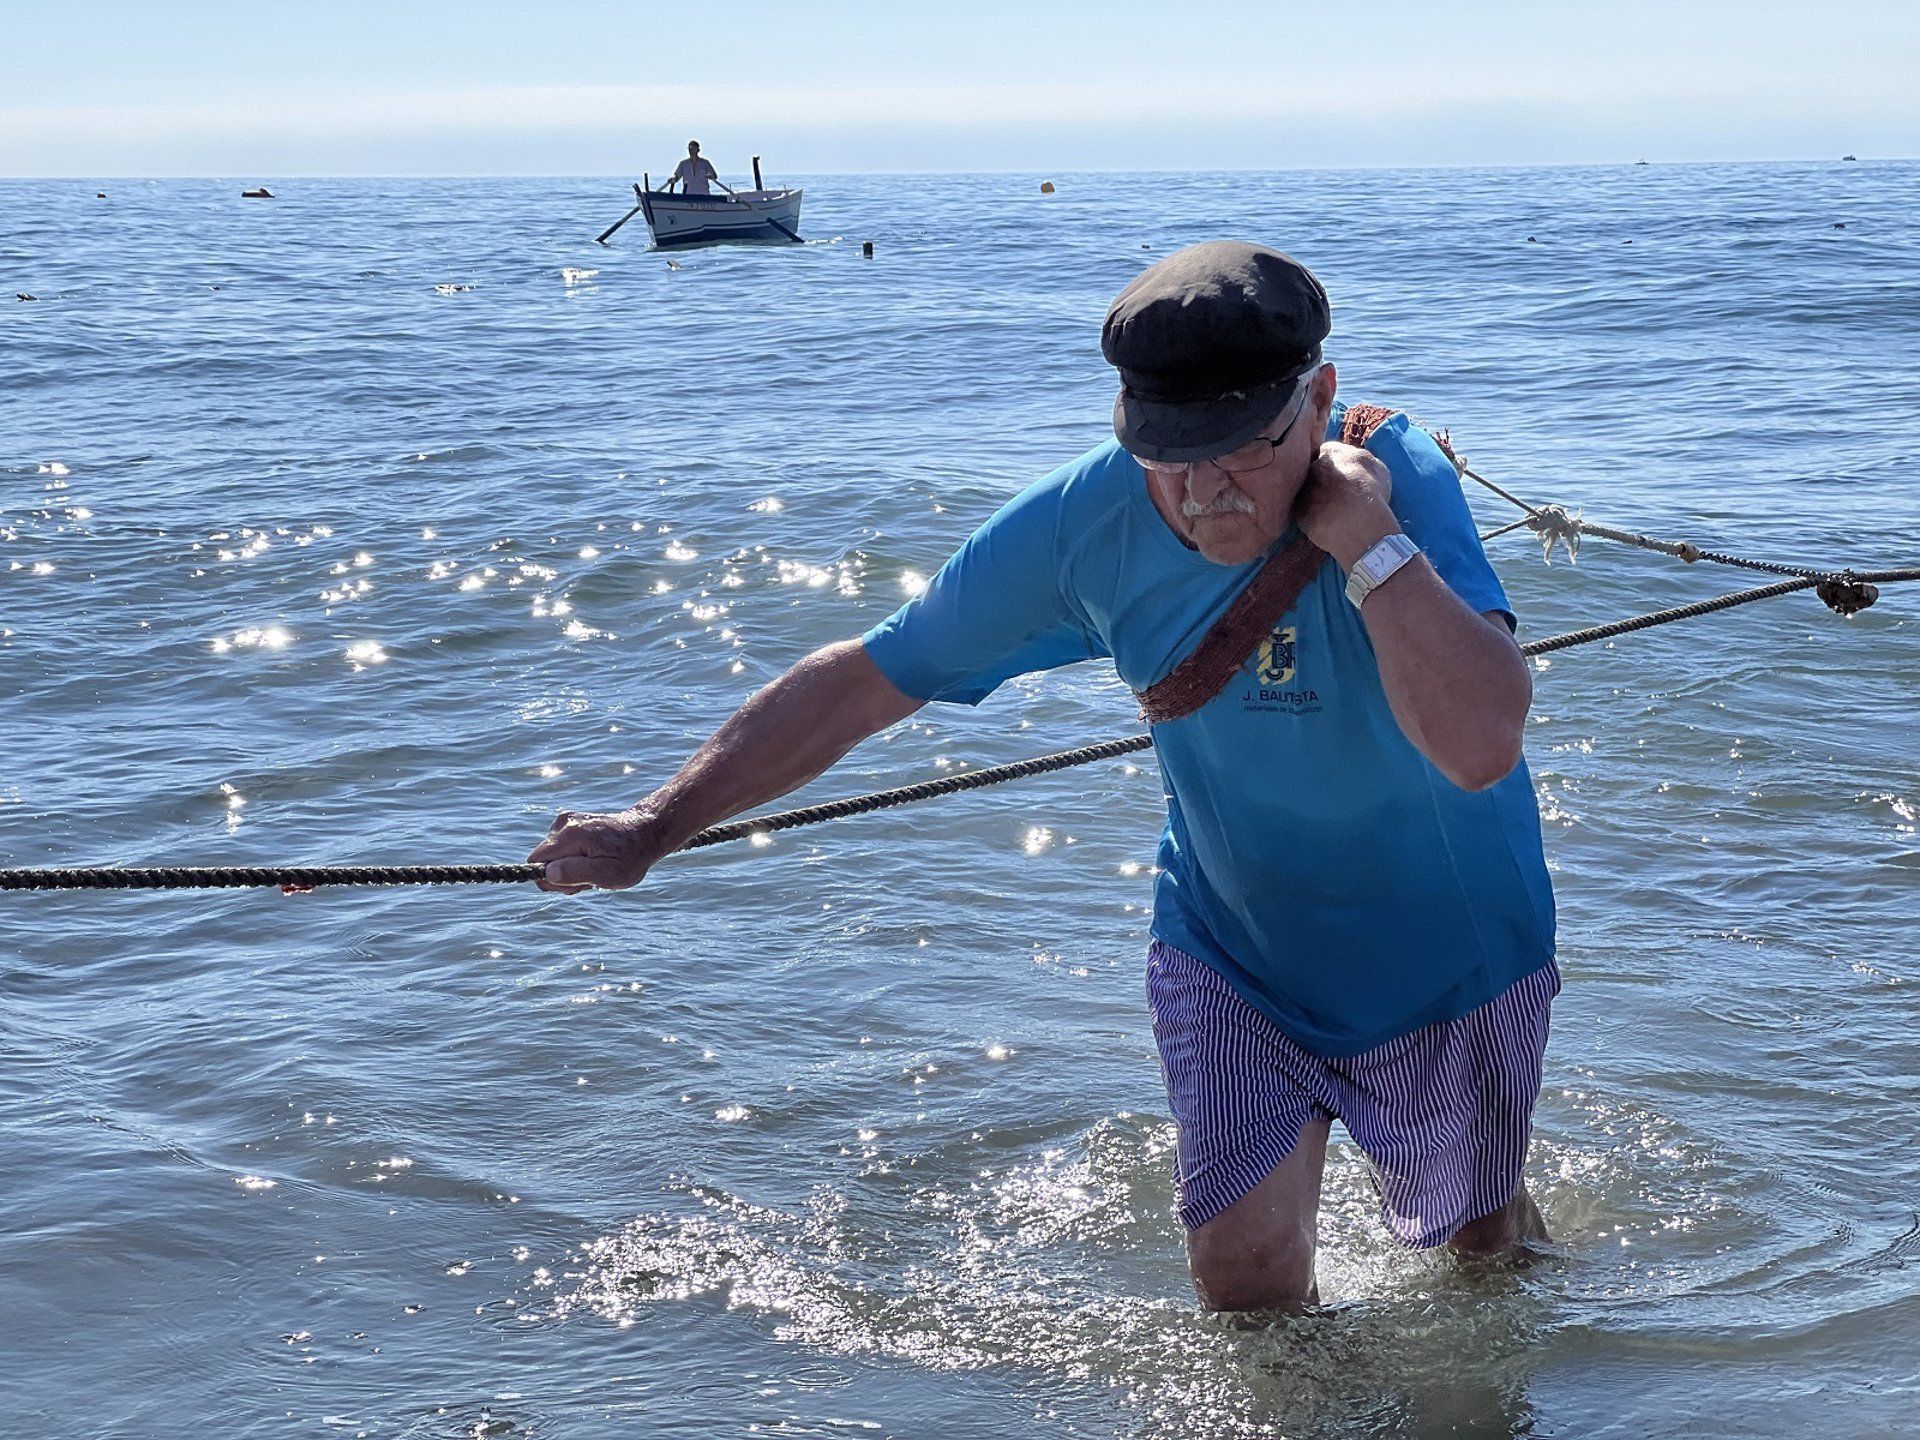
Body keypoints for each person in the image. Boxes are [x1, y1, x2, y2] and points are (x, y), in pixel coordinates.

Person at [529, 241, 1559, 1312]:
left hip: (1450, 959)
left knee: (1484, 1274)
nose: (1206, 492)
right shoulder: (1083, 524)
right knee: (1244, 1285)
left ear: (1321, 399)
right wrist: (655, 825)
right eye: (1171, 453)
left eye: (1243, 450)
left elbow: (1480, 746)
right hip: (1237, 954)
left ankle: (1516, 1235)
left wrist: (1369, 540)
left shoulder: (1397, 478)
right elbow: (870, 678)